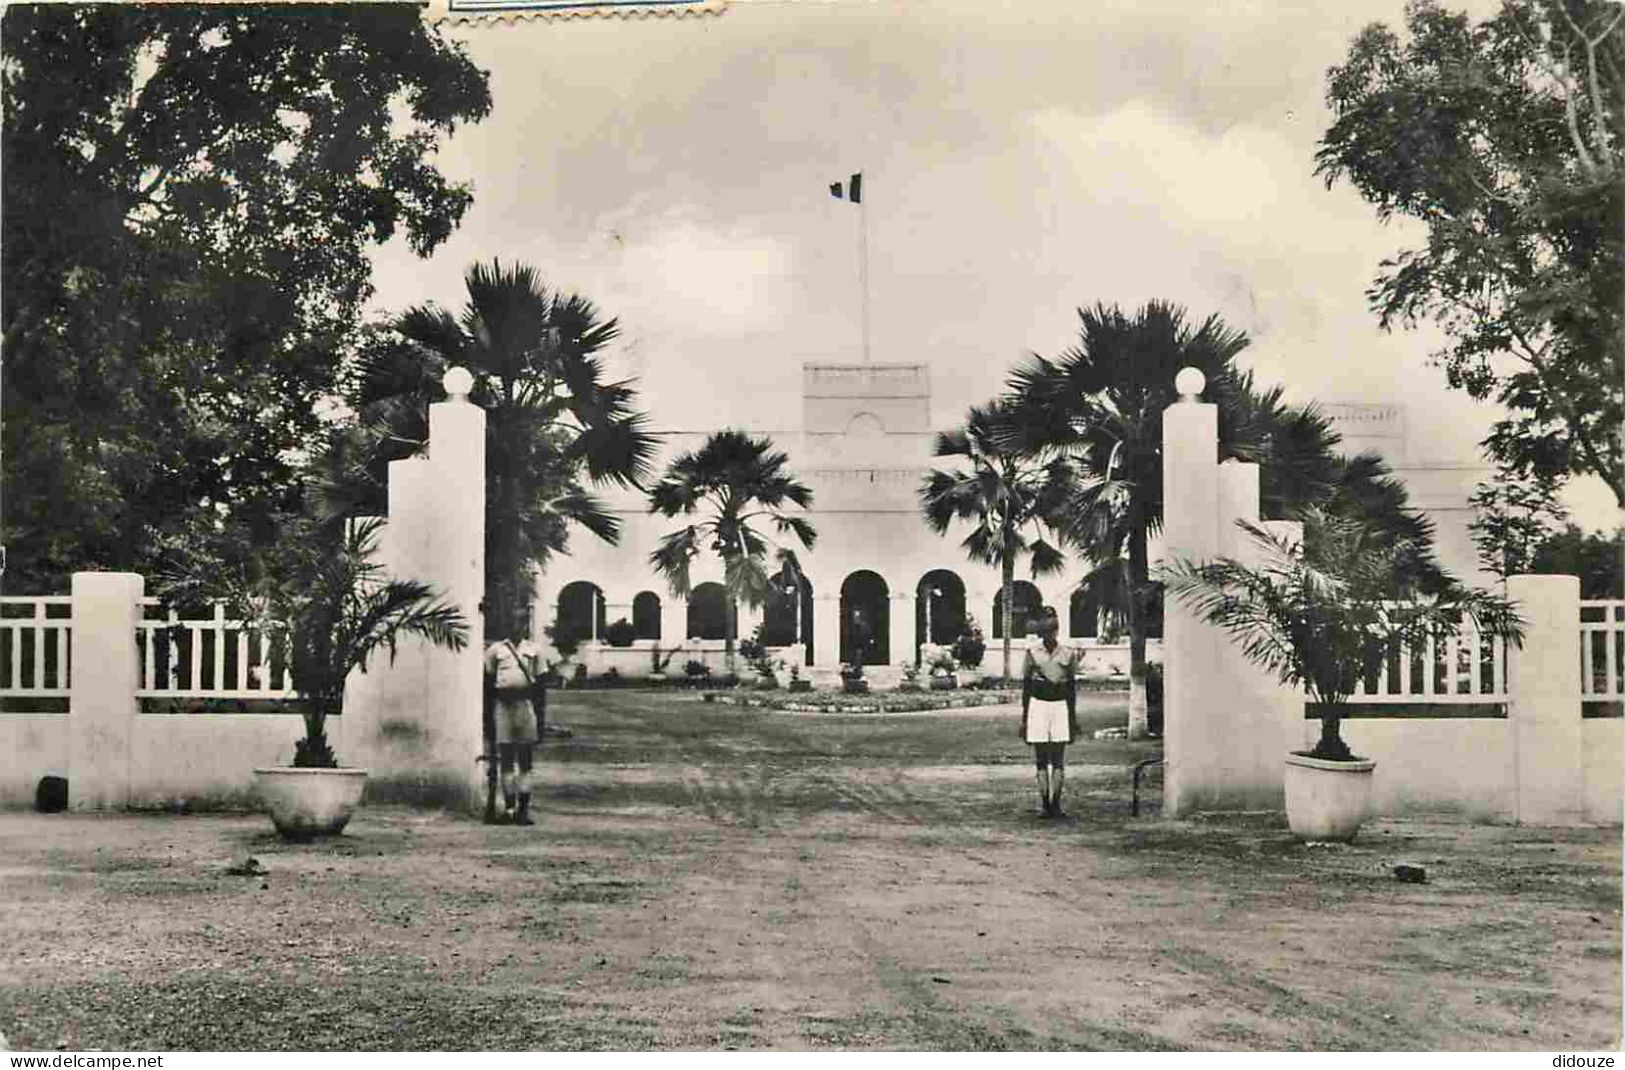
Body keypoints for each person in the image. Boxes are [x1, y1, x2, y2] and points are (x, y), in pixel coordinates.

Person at [482, 607, 551, 826]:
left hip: (525, 706)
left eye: (521, 623)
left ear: (526, 626)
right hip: (503, 706)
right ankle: (509, 808)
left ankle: (523, 809)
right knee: (506, 761)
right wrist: (487, 720)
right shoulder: (495, 650)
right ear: (507, 625)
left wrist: (540, 720)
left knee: (525, 761)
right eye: (513, 622)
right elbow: (488, 686)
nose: (517, 627)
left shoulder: (535, 650)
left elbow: (540, 688)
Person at [1018, 605, 1080, 818]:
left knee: (1058, 758)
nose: (1048, 635)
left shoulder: (1068, 653)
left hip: (1060, 705)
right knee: (1041, 757)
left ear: (1057, 631)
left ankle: (1056, 804)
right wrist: (1025, 718)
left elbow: (1071, 686)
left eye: (1052, 630)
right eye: (1044, 631)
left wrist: (1072, 718)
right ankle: (1045, 803)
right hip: (1038, 705)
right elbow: (1026, 686)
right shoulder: (1032, 652)